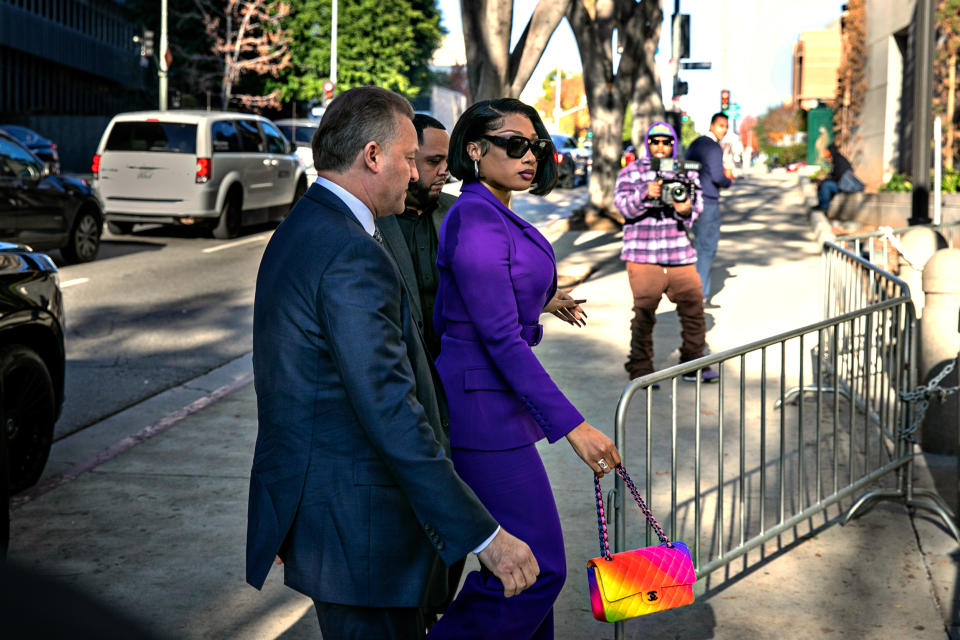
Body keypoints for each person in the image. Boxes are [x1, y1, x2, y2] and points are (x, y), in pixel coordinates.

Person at [246, 87, 540, 640]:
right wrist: (483, 536)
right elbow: (390, 410)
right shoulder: (350, 251)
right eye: (410, 158)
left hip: (336, 522)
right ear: (373, 156)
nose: (416, 174)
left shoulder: (310, 226)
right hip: (362, 535)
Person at [426, 97, 621, 640]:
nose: (529, 154)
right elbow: (499, 339)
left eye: (534, 144)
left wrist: (540, 298)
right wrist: (575, 428)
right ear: (474, 149)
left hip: (494, 406)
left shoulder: (492, 210)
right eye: (514, 144)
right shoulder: (475, 218)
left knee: (530, 572)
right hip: (481, 412)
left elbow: (483, 303)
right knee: (533, 572)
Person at [614, 121, 717, 385]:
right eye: (655, 141)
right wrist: (644, 193)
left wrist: (685, 209)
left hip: (679, 254)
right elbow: (623, 207)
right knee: (644, 313)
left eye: (666, 142)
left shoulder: (685, 172)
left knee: (694, 309)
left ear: (673, 144)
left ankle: (694, 363)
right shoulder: (632, 172)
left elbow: (697, 206)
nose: (660, 146)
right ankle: (641, 370)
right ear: (648, 143)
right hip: (642, 254)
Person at [685, 112, 733, 302]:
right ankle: (700, 294)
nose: (724, 129)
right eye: (721, 125)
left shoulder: (695, 144)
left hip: (691, 201)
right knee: (707, 248)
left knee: (696, 248)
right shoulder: (713, 148)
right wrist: (728, 181)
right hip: (708, 202)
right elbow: (717, 177)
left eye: (726, 126)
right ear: (712, 125)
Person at [815, 143, 864, 213]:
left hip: (844, 186)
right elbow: (833, 175)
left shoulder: (840, 160)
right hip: (841, 184)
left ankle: (824, 207)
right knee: (823, 183)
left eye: (828, 155)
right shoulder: (837, 160)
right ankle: (820, 205)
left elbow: (837, 176)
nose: (827, 158)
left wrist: (825, 180)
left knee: (825, 185)